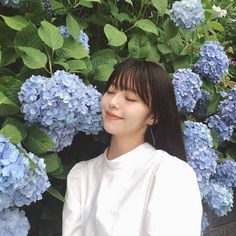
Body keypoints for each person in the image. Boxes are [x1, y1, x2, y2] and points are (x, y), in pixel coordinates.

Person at [62, 59, 203, 236]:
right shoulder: (81, 175)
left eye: (130, 98)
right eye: (111, 91)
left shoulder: (169, 173)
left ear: (153, 116)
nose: (113, 102)